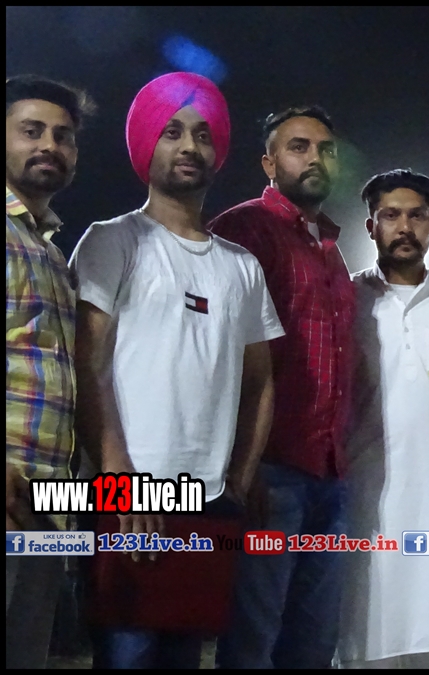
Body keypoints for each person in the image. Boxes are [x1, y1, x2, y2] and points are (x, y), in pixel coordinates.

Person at [70, 71, 281, 669]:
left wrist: (238, 479)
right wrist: (119, 482)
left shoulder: (241, 266)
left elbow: (260, 382)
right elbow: (87, 365)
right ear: (146, 145)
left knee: (185, 657)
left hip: (208, 502)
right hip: (126, 498)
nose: (190, 145)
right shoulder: (112, 241)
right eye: (172, 132)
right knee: (127, 655)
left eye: (203, 135)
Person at [209, 105, 357, 669]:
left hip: (330, 476)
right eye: (299, 147)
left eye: (326, 149)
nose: (315, 158)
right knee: (253, 642)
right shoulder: (243, 230)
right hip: (270, 472)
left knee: (314, 646)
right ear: (269, 163)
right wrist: (240, 466)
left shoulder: (331, 249)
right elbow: (217, 353)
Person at [338, 170, 429, 669]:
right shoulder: (347, 299)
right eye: (391, 216)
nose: (405, 227)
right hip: (366, 505)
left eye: (417, 216)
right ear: (370, 227)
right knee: (366, 641)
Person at [5, 74, 93, 670]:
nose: (49, 146)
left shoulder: (52, 252)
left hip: (43, 501)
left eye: (62, 136)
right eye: (31, 131)